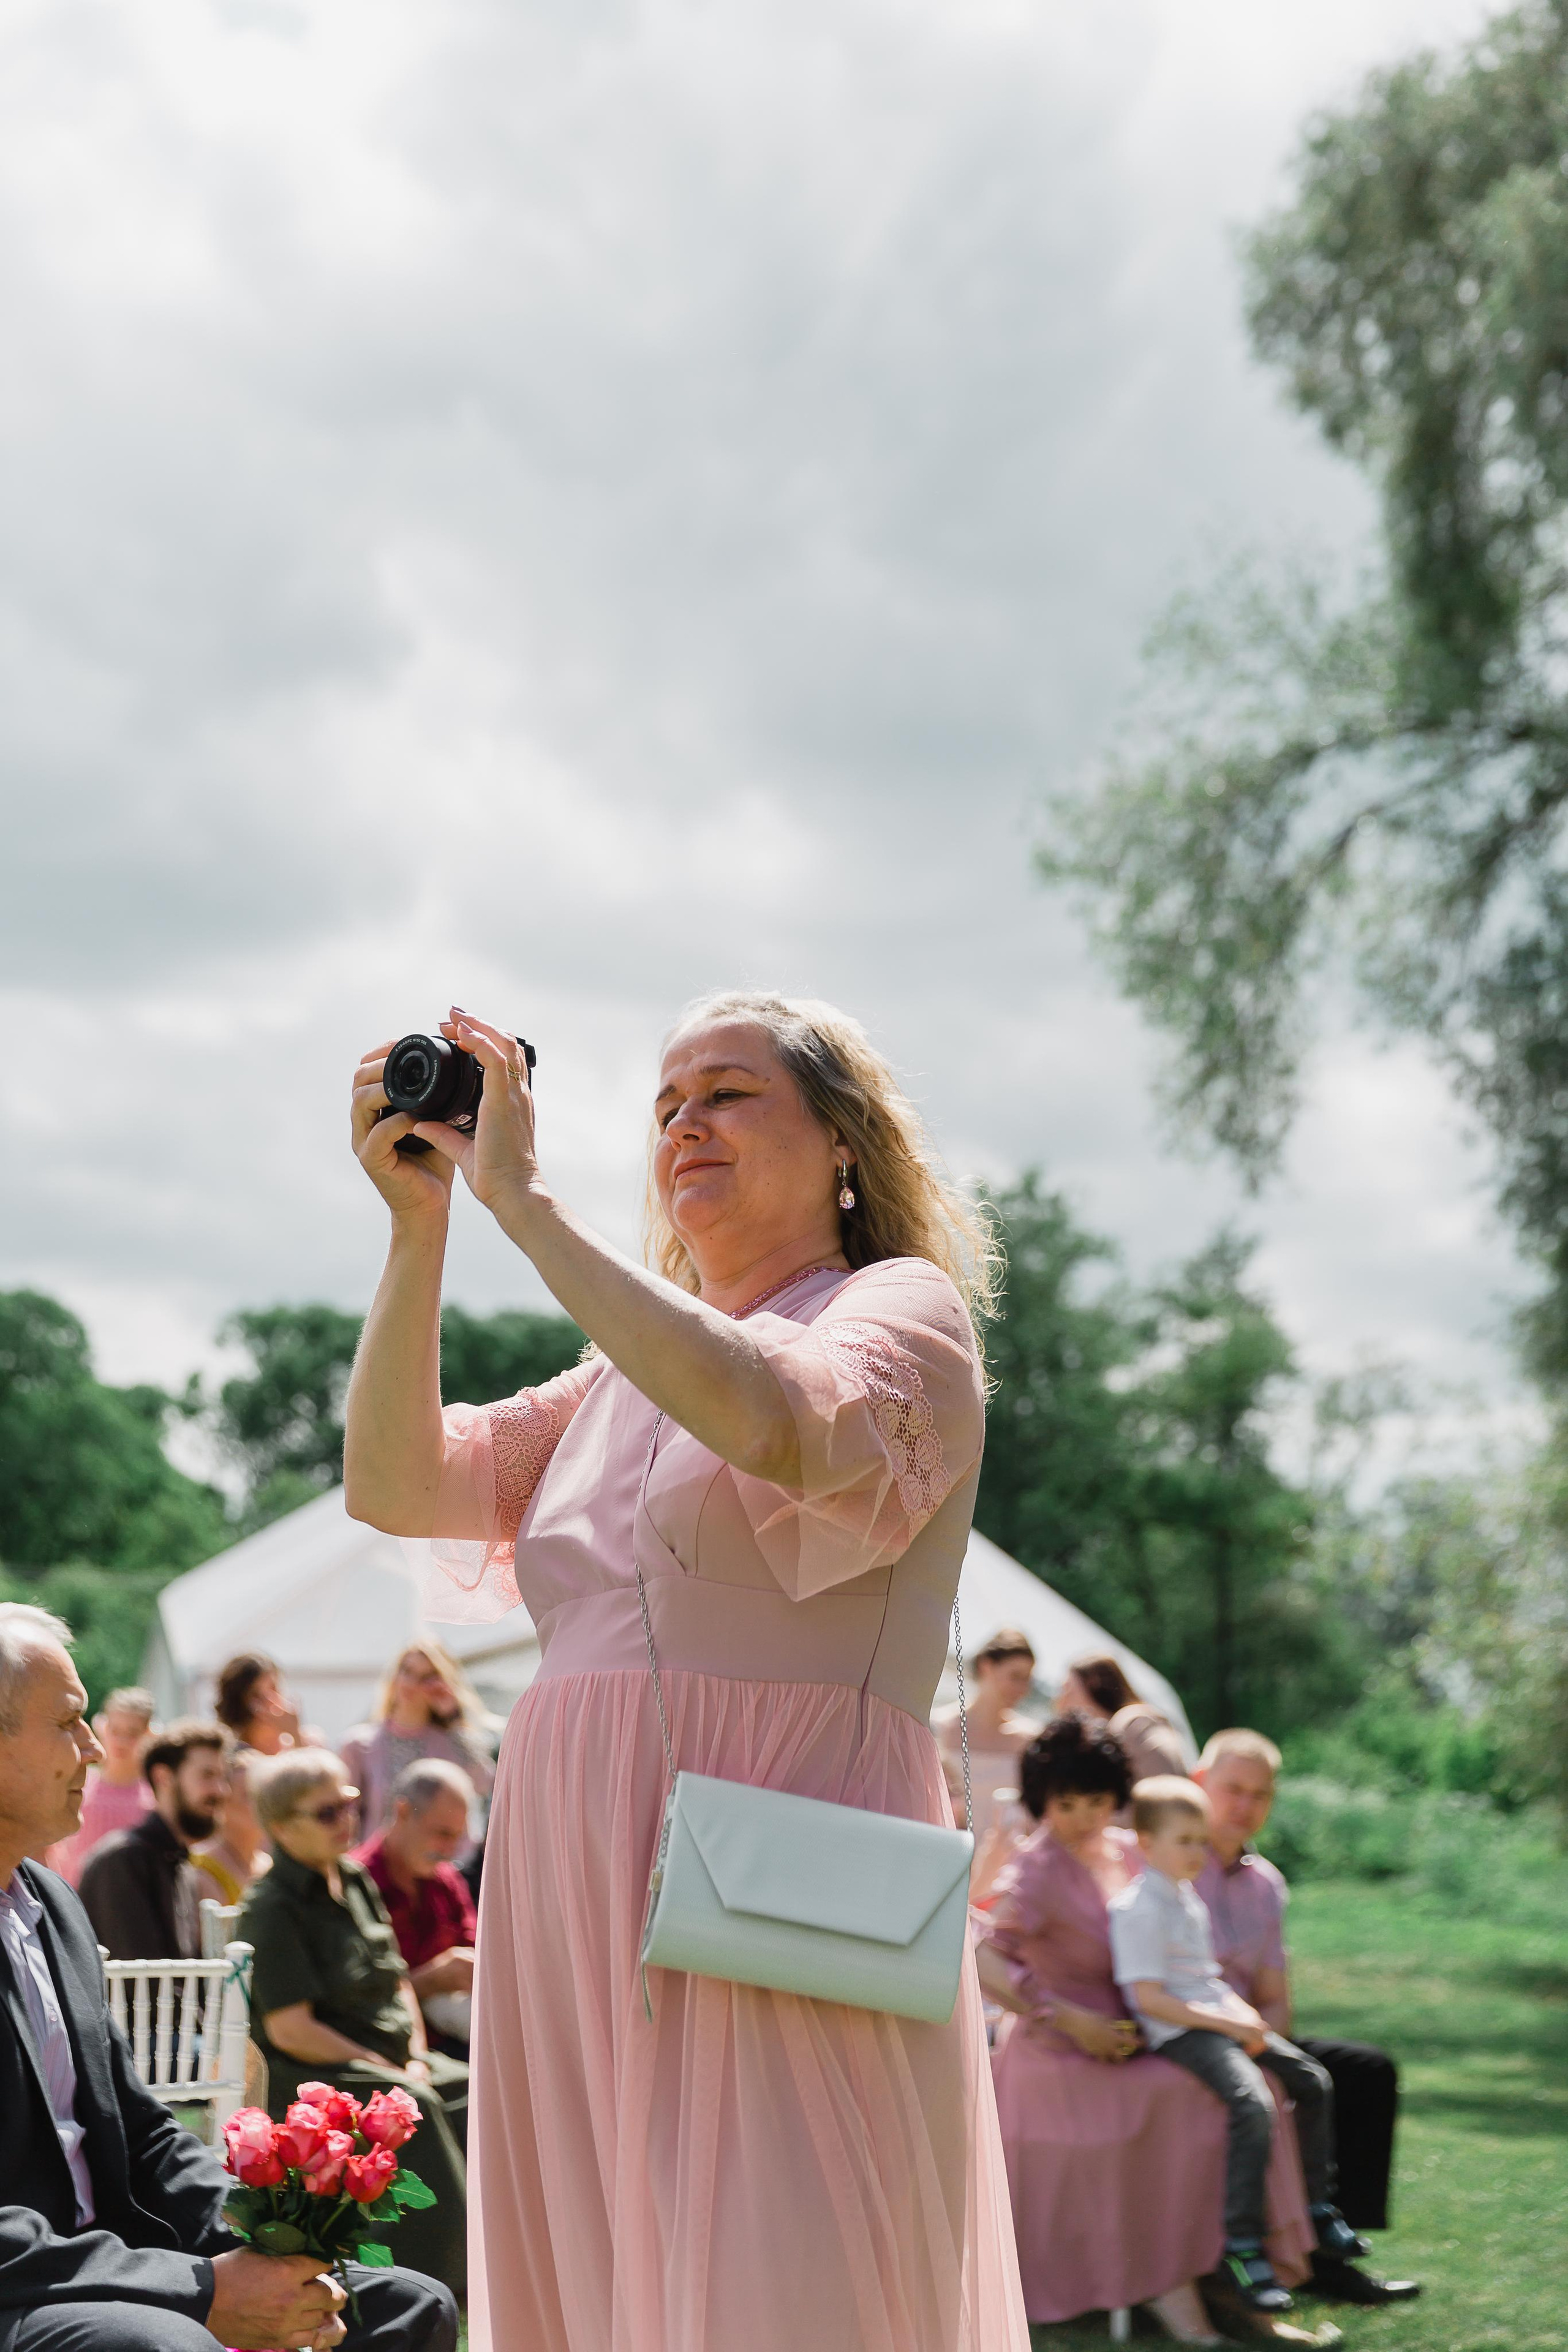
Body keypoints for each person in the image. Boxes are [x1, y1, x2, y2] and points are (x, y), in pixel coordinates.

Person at [343, 992, 1031, 2351]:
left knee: (787, 2280)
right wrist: (420, 1227)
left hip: (788, 1864)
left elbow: (774, 1417)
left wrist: (527, 1207)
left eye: (725, 1092)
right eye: (664, 1106)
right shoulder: (613, 1375)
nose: (684, 1125)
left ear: (842, 1141)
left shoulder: (902, 1309)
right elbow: (393, 1481)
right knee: (594, 2272)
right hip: (571, 1879)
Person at [0, 1599, 458, 2352]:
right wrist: (204, 2290)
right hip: (28, 2291)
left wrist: (264, 2241)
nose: (90, 1748)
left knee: (412, 2305)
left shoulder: (49, 1900)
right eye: (66, 1722)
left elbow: (142, 2129)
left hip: (127, 2264)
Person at [976, 1714, 1244, 2340]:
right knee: (1168, 2099)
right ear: (1042, 1799)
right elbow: (984, 1952)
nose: (1083, 1816)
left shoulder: (1129, 1849)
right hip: (1056, 2053)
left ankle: (1212, 2266)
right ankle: (1161, 2281)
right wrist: (1064, 2017)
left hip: (1132, 2038)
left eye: (1097, 1801)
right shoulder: (1034, 1870)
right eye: (1066, 1803)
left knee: (1224, 2091)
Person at [1109, 1778, 1369, 2330]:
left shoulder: (1188, 1899)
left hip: (1220, 2016)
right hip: (1182, 2033)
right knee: (1253, 2105)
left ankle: (1319, 2209)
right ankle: (1243, 2245)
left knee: (1313, 2080)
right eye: (1184, 1841)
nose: (1198, 1853)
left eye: (1202, 1841)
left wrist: (1245, 2017)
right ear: (1145, 1842)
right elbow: (1150, 1998)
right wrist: (1226, 2021)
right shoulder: (1136, 1908)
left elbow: (1207, 1978)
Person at [1193, 1729, 1420, 2305]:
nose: (1246, 1806)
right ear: (1200, 1784)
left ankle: (1331, 2247)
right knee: (1288, 2080)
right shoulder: (1164, 1861)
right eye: (1234, 1790)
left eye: (1261, 1795)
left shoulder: (1267, 1884)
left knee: (1367, 2070)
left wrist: (1262, 2036)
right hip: (1189, 2037)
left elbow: (1276, 1995)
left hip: (1253, 2033)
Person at [240, 1748, 469, 2301]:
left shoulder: (354, 1879)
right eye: (326, 1813)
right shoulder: (272, 1907)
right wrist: (389, 2067)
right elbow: (293, 2030)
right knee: (420, 2101)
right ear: (280, 1826)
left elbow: (396, 1983)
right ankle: (437, 2284)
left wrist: (412, 2050)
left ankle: (493, 2247)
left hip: (385, 2057)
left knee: (475, 2085)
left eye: (349, 1804)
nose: (345, 1820)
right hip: (313, 2074)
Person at [353, 1759, 478, 2054]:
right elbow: (354, 2003)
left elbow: (473, 1944)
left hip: (453, 2043)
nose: (449, 1849)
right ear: (403, 1812)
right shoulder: (355, 1884)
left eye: (457, 1838)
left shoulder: (446, 1880)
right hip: (384, 2051)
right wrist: (431, 1980)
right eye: (443, 1834)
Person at [78, 1722, 228, 1962]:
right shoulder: (122, 1861)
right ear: (164, 1777)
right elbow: (142, 1984)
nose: (221, 1790)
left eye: (222, 1777)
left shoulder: (180, 1863)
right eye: (207, 1775)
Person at [339, 1642, 494, 1842]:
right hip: (375, 1868)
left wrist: (453, 1718)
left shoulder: (452, 1742)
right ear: (394, 1676)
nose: (412, 1683)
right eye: (407, 1671)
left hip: (443, 1866)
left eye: (427, 1678)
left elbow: (484, 1785)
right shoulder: (359, 1744)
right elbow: (345, 1813)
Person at [42, 1687, 154, 1886]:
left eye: (132, 1733)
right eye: (115, 1730)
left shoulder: (155, 1798)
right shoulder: (77, 1785)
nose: (121, 1741)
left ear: (148, 1734)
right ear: (103, 1727)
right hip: (76, 1899)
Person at [933, 1627, 1036, 1834]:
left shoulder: (1030, 1738)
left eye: (1027, 1679)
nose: (1022, 1688)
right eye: (1015, 1676)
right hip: (948, 1847)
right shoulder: (938, 1727)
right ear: (986, 1666)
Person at [1058, 1653, 1190, 1790]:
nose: (1060, 1703)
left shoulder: (1130, 1724)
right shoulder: (1142, 1719)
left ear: (1094, 1684)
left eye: (1068, 1690)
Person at [190, 1746, 270, 1910]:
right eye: (250, 1796)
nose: (265, 1805)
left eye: (266, 1794)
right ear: (222, 1802)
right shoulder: (203, 1872)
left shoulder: (268, 1864)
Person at [214, 1653, 305, 1757]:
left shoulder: (310, 1741)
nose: (269, 1700)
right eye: (256, 1695)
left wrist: (295, 1735)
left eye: (273, 1688)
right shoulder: (231, 1756)